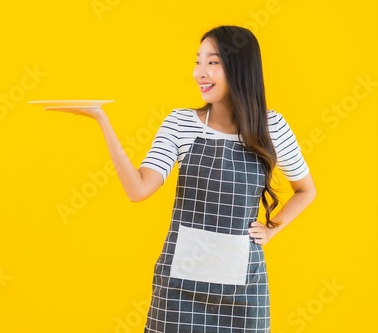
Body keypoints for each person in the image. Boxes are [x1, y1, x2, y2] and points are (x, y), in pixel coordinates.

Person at [47, 25, 316, 332]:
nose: (200, 72)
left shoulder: (272, 127)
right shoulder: (181, 123)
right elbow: (138, 190)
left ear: (240, 68)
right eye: (198, 61)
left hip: (243, 289)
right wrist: (101, 120)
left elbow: (305, 190)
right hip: (179, 289)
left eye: (212, 62)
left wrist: (270, 230)